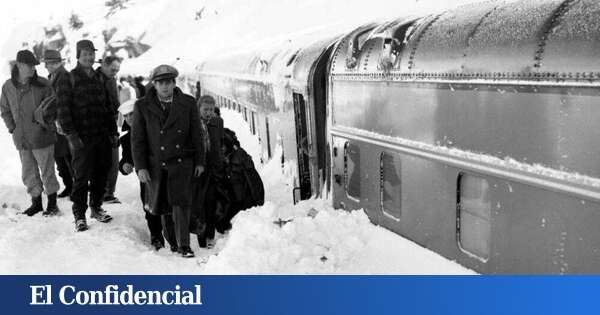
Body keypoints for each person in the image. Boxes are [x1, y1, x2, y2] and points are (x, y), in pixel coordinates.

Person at [131, 64, 205, 258]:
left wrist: (200, 161)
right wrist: (141, 167)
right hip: (157, 164)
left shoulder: (188, 103)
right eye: (160, 83)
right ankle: (172, 241)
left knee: (181, 204)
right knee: (163, 205)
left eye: (168, 82)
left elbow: (197, 135)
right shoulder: (142, 106)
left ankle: (184, 245)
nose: (165, 86)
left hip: (182, 162)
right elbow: (138, 140)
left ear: (174, 83)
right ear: (154, 85)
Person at [56, 40, 117, 231]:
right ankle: (79, 215)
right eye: (85, 54)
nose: (89, 57)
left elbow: (108, 108)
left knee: (101, 174)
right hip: (82, 139)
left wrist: (113, 132)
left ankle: (96, 207)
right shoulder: (69, 78)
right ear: (78, 56)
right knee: (81, 178)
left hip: (102, 136)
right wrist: (72, 136)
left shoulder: (100, 78)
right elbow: (63, 110)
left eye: (91, 53)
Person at [1, 50, 60, 216]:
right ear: (19, 65)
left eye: (35, 65)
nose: (34, 68)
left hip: (42, 137)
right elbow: (4, 110)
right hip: (22, 139)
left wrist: (45, 124)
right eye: (30, 65)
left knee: (47, 170)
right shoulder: (7, 87)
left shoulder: (43, 84)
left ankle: (53, 204)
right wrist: (12, 128)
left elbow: (53, 108)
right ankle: (36, 204)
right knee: (28, 172)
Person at [117, 99, 165, 250]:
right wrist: (125, 165)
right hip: (146, 178)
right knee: (149, 208)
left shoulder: (155, 130)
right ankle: (156, 236)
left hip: (163, 172)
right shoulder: (125, 139)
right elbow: (126, 157)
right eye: (126, 116)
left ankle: (175, 236)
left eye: (132, 114)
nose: (130, 118)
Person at [192, 95, 226, 248]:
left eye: (211, 110)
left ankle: (210, 236)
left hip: (213, 169)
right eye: (205, 109)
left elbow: (220, 142)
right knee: (199, 205)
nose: (208, 112)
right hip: (198, 170)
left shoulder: (218, 122)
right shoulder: (192, 123)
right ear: (199, 109)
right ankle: (201, 237)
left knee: (211, 203)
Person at [43, 49, 73, 201]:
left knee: (67, 156)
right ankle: (69, 185)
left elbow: (62, 102)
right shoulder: (53, 76)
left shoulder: (63, 76)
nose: (46, 66)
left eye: (47, 63)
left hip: (62, 123)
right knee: (60, 157)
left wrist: (58, 120)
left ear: (54, 63)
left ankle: (74, 186)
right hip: (55, 124)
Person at [97, 56, 122, 204]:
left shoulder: (111, 80)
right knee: (102, 162)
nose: (115, 73)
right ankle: (103, 193)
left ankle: (108, 192)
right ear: (104, 66)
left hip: (110, 126)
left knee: (113, 161)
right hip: (98, 127)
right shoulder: (94, 79)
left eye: (117, 70)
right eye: (113, 69)